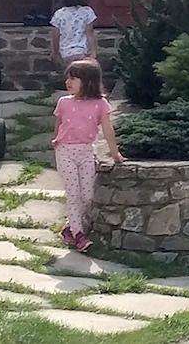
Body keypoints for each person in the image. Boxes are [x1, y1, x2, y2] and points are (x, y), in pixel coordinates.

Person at [52, 58, 124, 252]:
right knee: (73, 194)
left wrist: (115, 153)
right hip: (65, 151)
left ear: (88, 81)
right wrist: (55, 142)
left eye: (73, 78)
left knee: (87, 195)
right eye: (68, 78)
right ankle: (79, 235)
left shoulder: (100, 104)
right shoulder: (64, 102)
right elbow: (59, 124)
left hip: (85, 152)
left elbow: (107, 129)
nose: (68, 82)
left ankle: (69, 227)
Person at [51, 0, 98, 72]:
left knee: (70, 74)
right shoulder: (87, 12)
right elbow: (90, 33)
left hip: (66, 53)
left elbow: (55, 36)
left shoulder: (59, 13)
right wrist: (93, 51)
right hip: (82, 52)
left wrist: (55, 53)